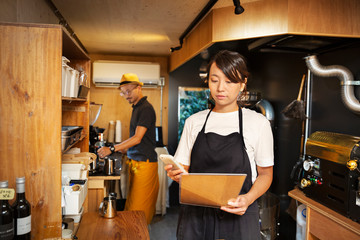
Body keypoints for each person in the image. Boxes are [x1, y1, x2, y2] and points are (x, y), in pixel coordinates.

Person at [165, 50, 274, 239]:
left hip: (239, 215)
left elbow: (265, 174)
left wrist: (247, 199)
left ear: (242, 84)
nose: (220, 88)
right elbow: (183, 169)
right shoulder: (194, 122)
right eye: (214, 80)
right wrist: (176, 173)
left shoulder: (258, 123)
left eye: (229, 81)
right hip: (196, 218)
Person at [97, 73, 159, 225]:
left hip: (145, 164)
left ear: (139, 88)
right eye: (123, 92)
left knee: (139, 212)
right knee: (132, 208)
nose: (126, 96)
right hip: (137, 162)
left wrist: (112, 148)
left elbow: (137, 138)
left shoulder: (145, 108)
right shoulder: (137, 108)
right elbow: (137, 139)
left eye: (129, 91)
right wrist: (124, 149)